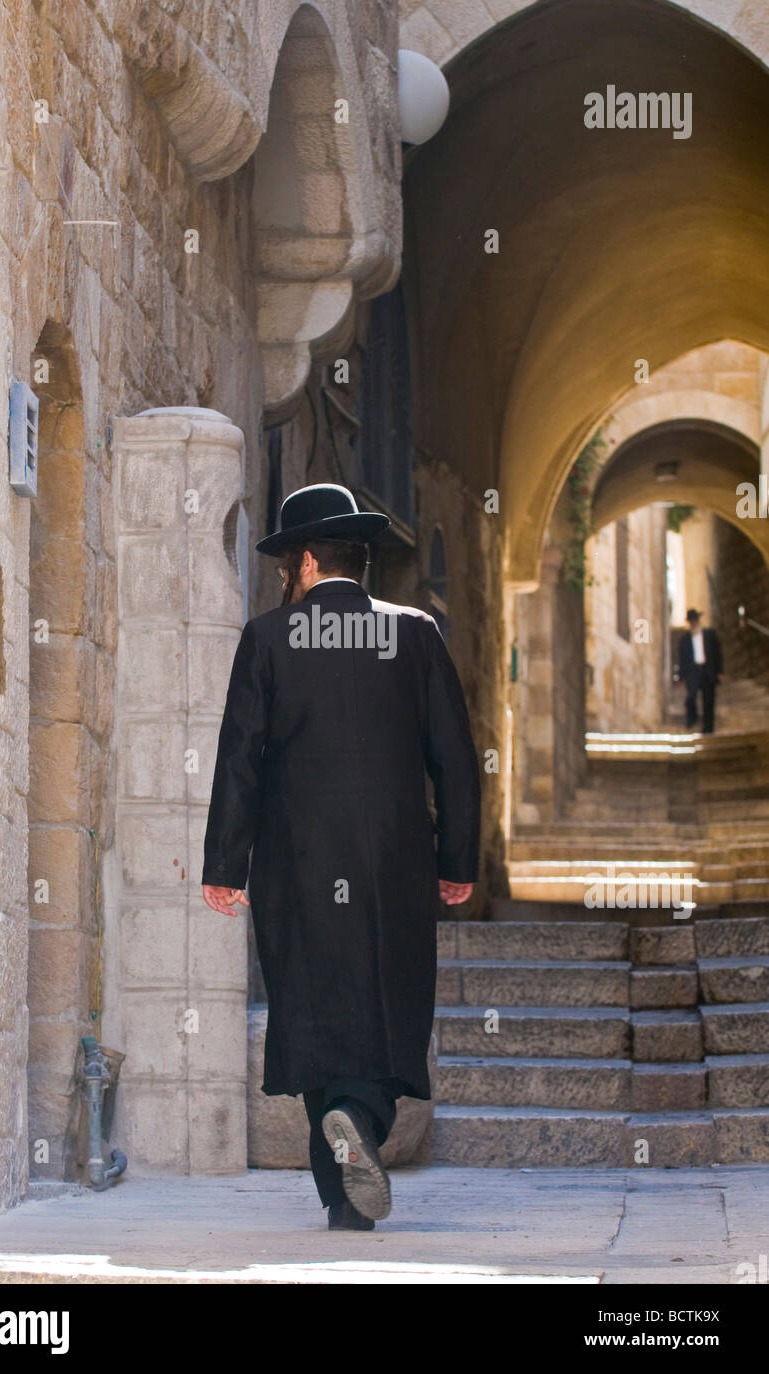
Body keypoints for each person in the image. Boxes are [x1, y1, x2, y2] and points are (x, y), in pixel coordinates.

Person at [201, 483, 481, 1229]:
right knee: (388, 1000)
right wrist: (455, 858)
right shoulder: (415, 633)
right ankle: (359, 1132)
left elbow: (240, 761)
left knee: (314, 1001)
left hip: (296, 857)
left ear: (306, 559)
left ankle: (342, 1182)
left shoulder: (267, 638)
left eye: (286, 563)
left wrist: (225, 865)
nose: (282, 578)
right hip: (394, 858)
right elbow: (455, 758)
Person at [677, 607, 724, 733]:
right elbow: (682, 659)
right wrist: (681, 677)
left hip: (707, 670)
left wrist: (719, 671)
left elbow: (717, 654)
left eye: (695, 620)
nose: (693, 623)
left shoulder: (710, 635)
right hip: (693, 672)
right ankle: (692, 719)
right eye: (691, 620)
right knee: (691, 697)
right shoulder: (685, 640)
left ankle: (708, 727)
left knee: (709, 700)